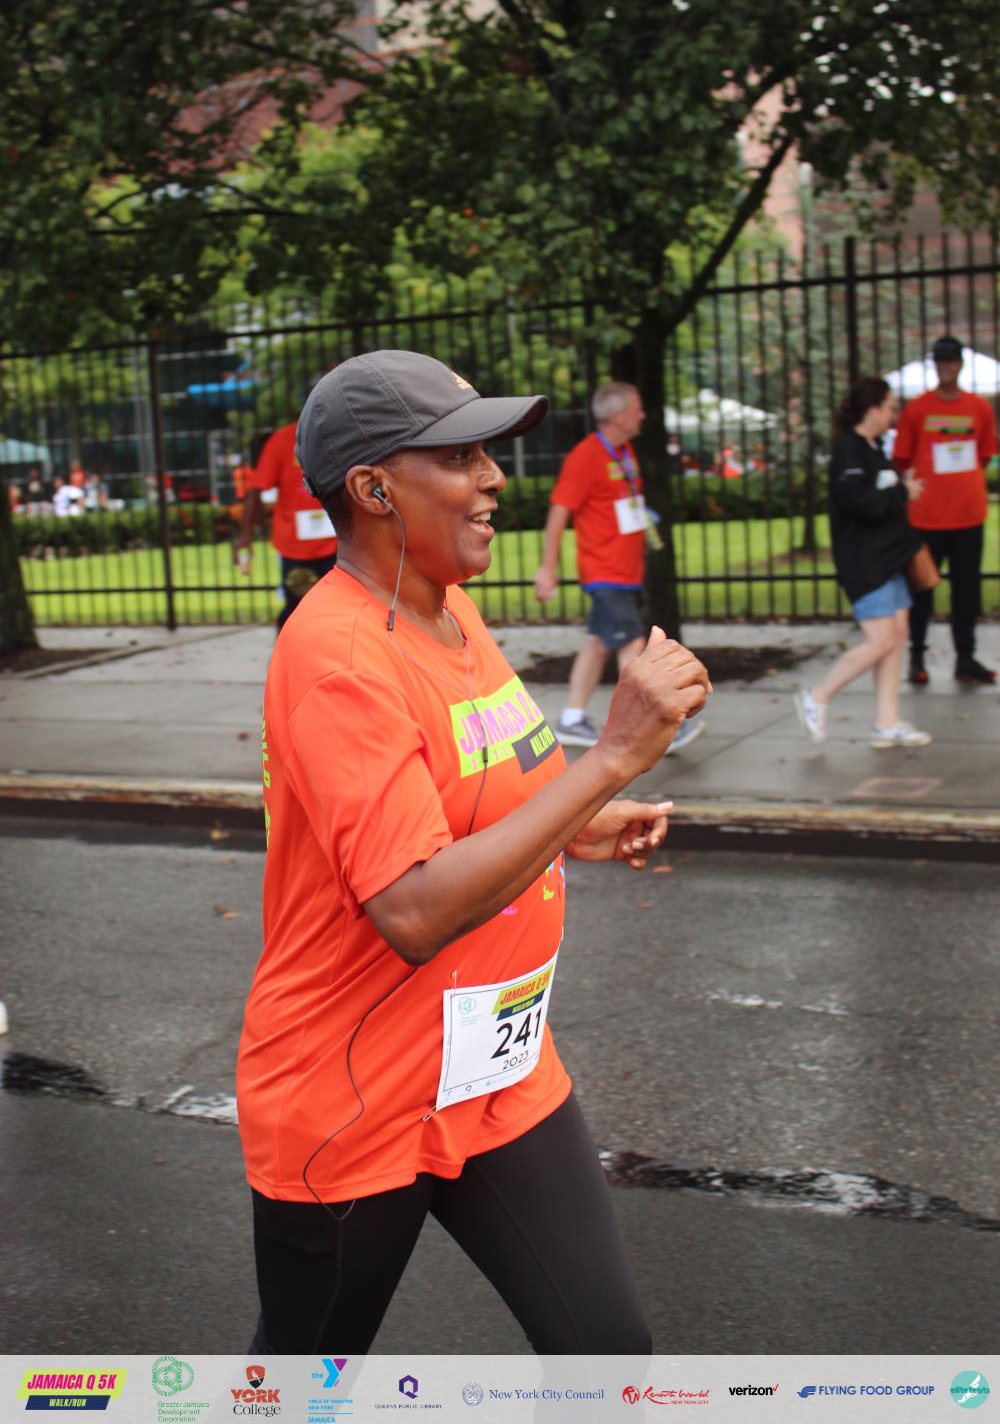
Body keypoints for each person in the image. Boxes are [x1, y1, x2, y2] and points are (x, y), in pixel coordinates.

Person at [236, 349, 711, 1355]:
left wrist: (575, 822)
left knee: (606, 1355)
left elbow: (481, 786)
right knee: (303, 1387)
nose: (494, 477)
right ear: (373, 489)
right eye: (459, 457)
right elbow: (411, 909)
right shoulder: (336, 655)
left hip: (495, 1072)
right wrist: (611, 759)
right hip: (355, 1095)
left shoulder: (448, 608)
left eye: (488, 453)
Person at [533, 381, 705, 754]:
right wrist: (548, 568)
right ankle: (654, 727)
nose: (643, 415)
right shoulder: (586, 456)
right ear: (617, 415)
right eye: (636, 408)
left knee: (598, 644)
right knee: (634, 646)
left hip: (623, 571)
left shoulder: (624, 451)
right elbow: (559, 512)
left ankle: (572, 719)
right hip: (604, 572)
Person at [795, 376, 931, 749]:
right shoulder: (848, 450)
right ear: (872, 410)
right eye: (889, 407)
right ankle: (818, 697)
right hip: (865, 563)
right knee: (880, 640)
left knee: (896, 637)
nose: (893, 414)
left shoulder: (873, 448)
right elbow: (860, 503)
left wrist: (899, 491)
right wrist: (903, 491)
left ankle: (887, 723)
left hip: (891, 558)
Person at [891, 335, 998, 685]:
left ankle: (965, 658)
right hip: (927, 517)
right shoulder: (917, 410)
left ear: (960, 364)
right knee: (921, 589)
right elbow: (902, 457)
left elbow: (986, 453)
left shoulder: (979, 408)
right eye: (941, 361)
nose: (946, 367)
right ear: (935, 365)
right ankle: (917, 658)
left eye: (952, 361)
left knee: (966, 591)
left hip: (968, 514)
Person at [232, 419, 338, 631]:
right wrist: (245, 535)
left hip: (340, 542)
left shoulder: (340, 434)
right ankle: (289, 648)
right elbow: (257, 488)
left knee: (338, 607)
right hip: (295, 546)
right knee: (297, 608)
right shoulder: (282, 440)